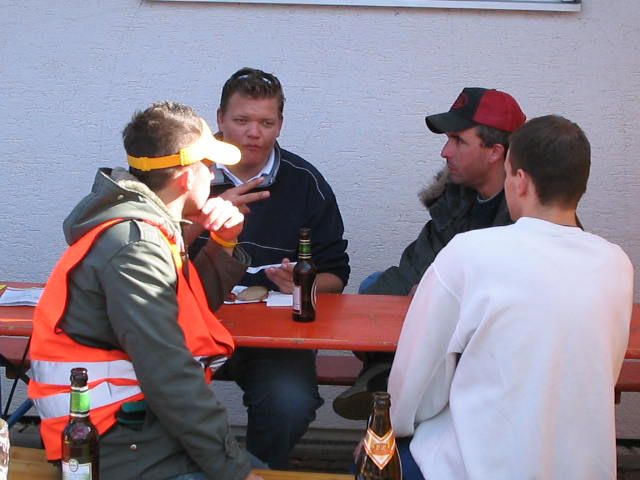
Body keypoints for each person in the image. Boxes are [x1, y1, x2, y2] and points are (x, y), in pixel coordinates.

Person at [388, 115, 634, 479]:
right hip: (580, 468)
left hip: (475, 467)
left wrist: (392, 425)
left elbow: (415, 385)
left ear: (520, 181)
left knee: (374, 458)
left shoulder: (470, 253)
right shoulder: (616, 264)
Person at [28, 101, 263, 480]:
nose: (214, 176)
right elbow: (170, 374)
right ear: (187, 176)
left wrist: (223, 242)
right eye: (209, 166)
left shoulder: (146, 230)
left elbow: (188, 314)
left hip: (131, 432)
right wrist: (235, 471)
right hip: (115, 447)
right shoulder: (136, 245)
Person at [190, 67, 350, 468]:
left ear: (280, 125)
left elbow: (336, 274)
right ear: (220, 119)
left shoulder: (305, 182)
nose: (253, 133)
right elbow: (151, 249)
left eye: (266, 123)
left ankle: (255, 469)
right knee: (152, 392)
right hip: (190, 324)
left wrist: (302, 283)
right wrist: (205, 219)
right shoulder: (189, 175)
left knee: (290, 403)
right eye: (241, 120)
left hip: (274, 336)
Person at [334, 87, 526, 420]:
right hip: (439, 335)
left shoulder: (529, 214)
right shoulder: (456, 199)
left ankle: (388, 383)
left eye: (458, 140)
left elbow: (517, 306)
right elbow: (411, 270)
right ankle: (386, 378)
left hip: (495, 357)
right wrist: (366, 317)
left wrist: (434, 298)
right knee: (373, 289)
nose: (444, 152)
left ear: (495, 152)